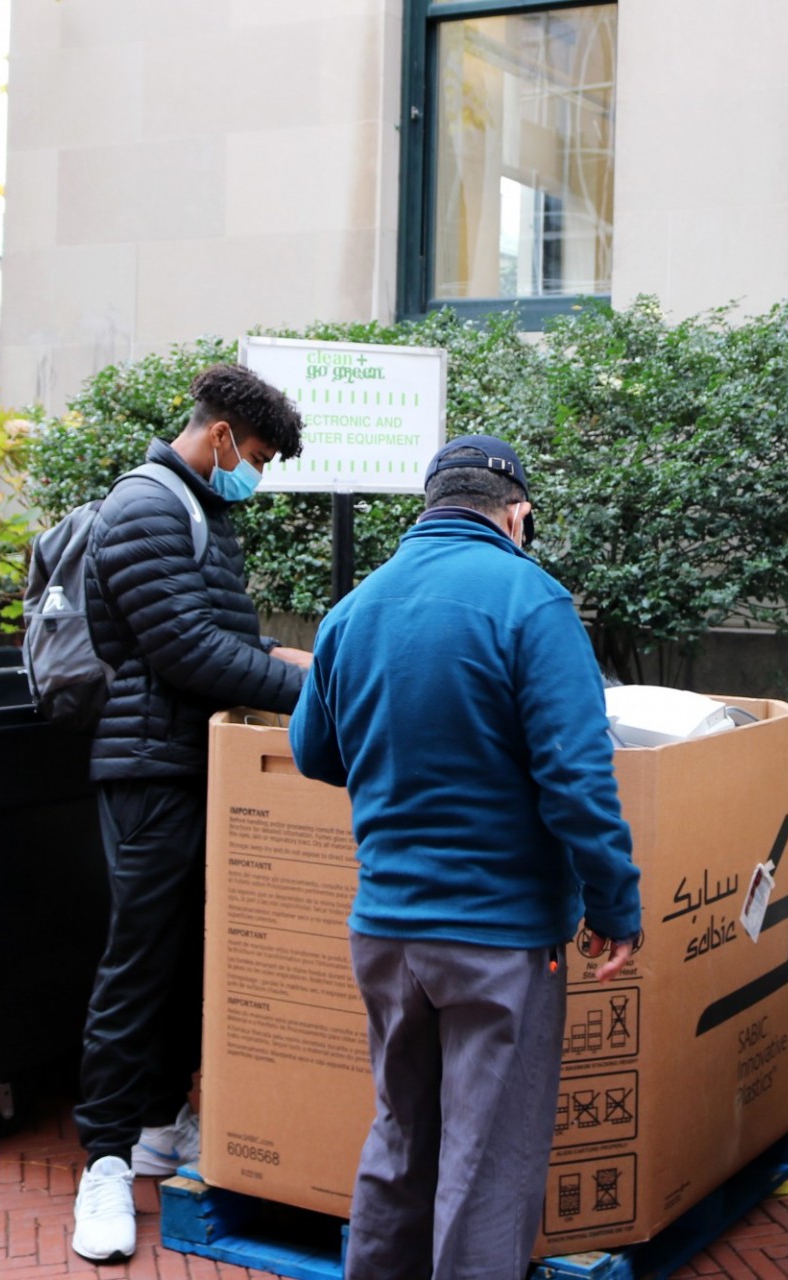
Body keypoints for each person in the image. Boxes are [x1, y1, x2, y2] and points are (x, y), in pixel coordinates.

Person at [289, 435, 643, 1280]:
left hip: (385, 933)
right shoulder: (532, 602)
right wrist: (614, 905)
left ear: (430, 505)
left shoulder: (354, 609)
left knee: (398, 1141)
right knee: (487, 1168)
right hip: (498, 938)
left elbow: (312, 751)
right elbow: (576, 778)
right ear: (515, 514)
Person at [71, 363, 313, 1264]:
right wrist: (302, 688)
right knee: (136, 965)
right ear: (219, 437)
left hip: (191, 763)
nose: (255, 473)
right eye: (253, 455)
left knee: (191, 960)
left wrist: (277, 651)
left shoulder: (202, 510)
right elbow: (184, 652)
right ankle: (102, 1162)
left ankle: (164, 1128)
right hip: (148, 773)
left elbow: (219, 634)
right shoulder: (144, 506)